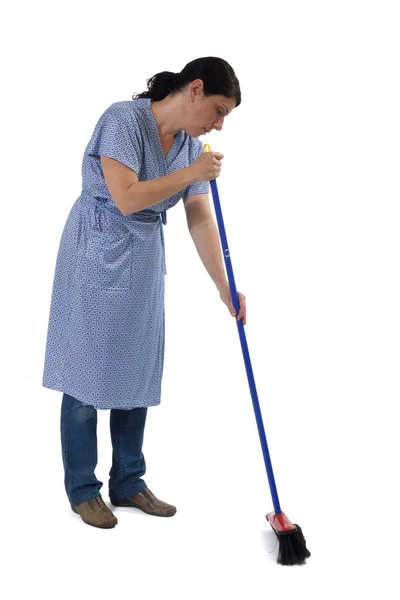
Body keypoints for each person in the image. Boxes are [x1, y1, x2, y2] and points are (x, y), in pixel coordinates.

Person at [42, 56, 247, 529]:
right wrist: (192, 171)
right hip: (96, 250)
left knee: (136, 365)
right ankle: (82, 489)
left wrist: (224, 286)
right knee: (86, 367)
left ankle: (129, 481)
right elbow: (127, 197)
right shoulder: (122, 119)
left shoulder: (189, 146)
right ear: (194, 89)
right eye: (219, 110)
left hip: (143, 258)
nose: (218, 123)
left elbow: (198, 216)